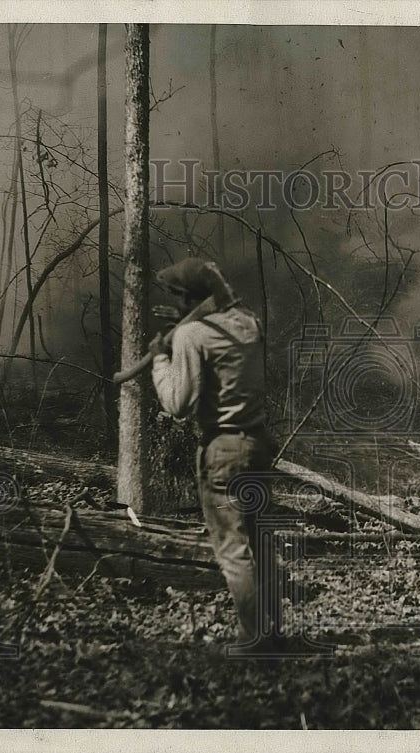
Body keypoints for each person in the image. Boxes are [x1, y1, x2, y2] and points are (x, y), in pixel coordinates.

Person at [148, 257, 282, 652]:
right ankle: (272, 633)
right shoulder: (248, 322)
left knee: (234, 550)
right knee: (259, 544)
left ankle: (254, 639)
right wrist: (183, 330)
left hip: (223, 451)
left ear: (194, 298)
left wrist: (160, 357)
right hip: (257, 445)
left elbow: (177, 403)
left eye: (179, 297)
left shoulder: (191, 335)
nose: (175, 303)